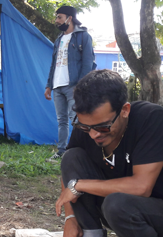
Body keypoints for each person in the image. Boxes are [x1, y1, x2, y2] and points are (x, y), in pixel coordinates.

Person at [55, 70, 163, 237]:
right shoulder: (88, 125)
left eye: (103, 127)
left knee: (116, 201)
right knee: (72, 157)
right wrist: (70, 217)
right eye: (86, 127)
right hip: (118, 209)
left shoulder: (151, 118)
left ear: (125, 110)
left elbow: (141, 187)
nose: (94, 134)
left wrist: (78, 186)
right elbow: (70, 171)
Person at [44, 5, 95, 160]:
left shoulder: (83, 36)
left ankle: (79, 151)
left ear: (69, 18)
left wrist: (80, 86)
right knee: (62, 120)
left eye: (59, 17)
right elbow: (54, 64)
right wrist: (49, 85)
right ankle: (61, 151)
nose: (57, 21)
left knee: (77, 119)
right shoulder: (58, 39)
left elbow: (88, 63)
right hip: (57, 85)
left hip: (74, 85)